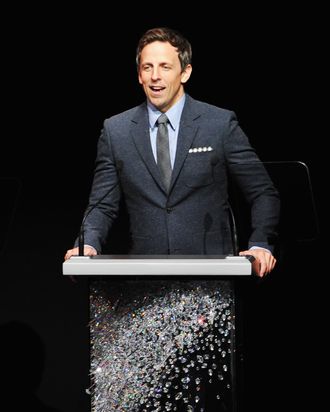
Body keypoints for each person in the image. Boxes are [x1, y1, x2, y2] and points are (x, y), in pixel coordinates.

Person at [64, 27, 280, 411]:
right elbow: (102, 203)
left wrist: (261, 242)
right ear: (138, 74)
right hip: (142, 290)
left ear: (186, 72)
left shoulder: (218, 123)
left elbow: (263, 192)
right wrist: (89, 243)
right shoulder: (115, 130)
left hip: (208, 292)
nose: (155, 76)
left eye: (165, 66)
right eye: (147, 67)